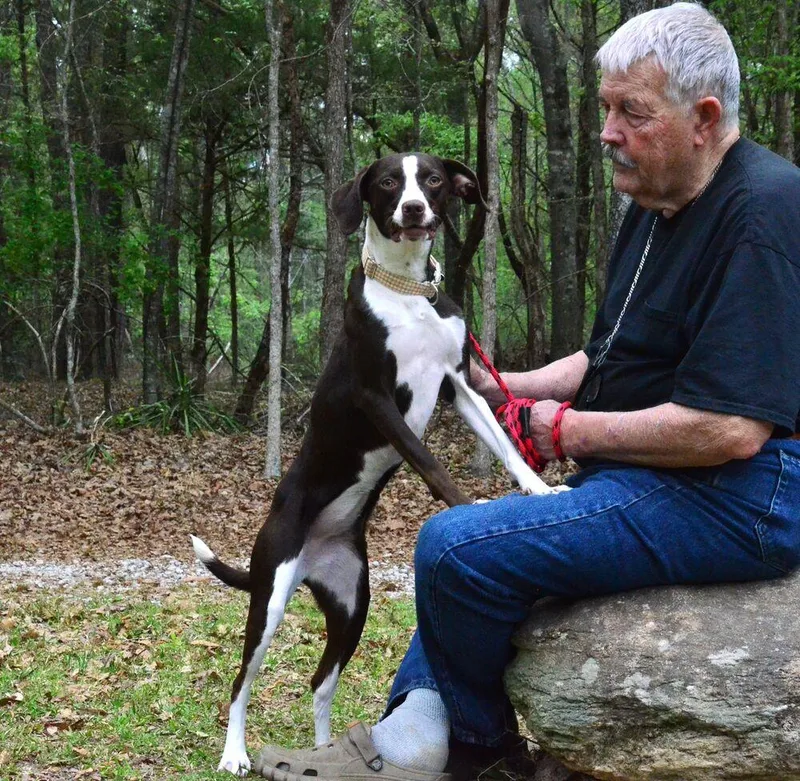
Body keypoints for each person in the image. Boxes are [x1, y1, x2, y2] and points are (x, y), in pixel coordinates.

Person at [253, 3, 800, 780]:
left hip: (741, 495)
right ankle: (410, 729)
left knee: (453, 545)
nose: (607, 131)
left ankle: (477, 752)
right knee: (486, 541)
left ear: (703, 117)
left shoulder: (764, 215)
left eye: (629, 113)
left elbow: (730, 428)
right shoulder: (653, 203)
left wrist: (563, 430)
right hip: (659, 478)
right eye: (605, 108)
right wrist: (500, 384)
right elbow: (612, 356)